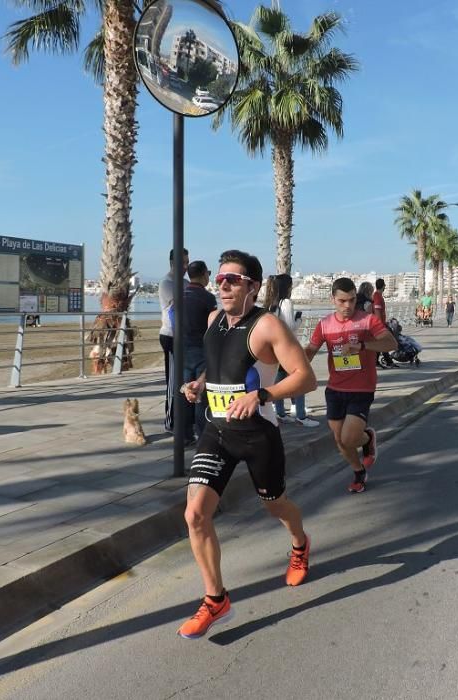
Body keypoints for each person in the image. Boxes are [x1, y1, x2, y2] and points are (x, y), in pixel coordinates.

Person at [178, 249, 316, 640]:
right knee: (194, 515)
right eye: (220, 278)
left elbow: (305, 378)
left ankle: (300, 543)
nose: (222, 285)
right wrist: (200, 384)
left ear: (253, 287)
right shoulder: (211, 321)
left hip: (258, 434)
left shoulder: (267, 326)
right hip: (217, 430)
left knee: (276, 505)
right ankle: (215, 598)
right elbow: (218, 366)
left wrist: (263, 396)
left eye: (232, 280)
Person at [305, 278, 398, 494]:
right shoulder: (325, 324)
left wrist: (363, 346)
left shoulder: (368, 321)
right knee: (340, 440)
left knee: (348, 438)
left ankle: (367, 438)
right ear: (333, 300)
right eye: (342, 301)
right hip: (335, 389)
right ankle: (358, 472)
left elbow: (391, 343)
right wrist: (293, 367)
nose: (348, 306)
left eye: (352, 300)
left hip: (361, 388)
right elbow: (310, 350)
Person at [264, 273, 318, 428]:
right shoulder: (286, 303)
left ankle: (280, 413)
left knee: (278, 382)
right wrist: (299, 320)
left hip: (275, 351)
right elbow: (289, 327)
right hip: (288, 349)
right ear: (287, 287)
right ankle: (301, 416)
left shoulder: (270, 304)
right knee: (300, 381)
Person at [182, 260, 216, 446]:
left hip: (183, 349)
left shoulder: (180, 295)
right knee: (201, 395)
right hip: (201, 350)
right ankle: (202, 435)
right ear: (204, 274)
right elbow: (213, 326)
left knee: (185, 391)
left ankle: (185, 434)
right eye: (209, 272)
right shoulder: (208, 298)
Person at [159, 247, 188, 432]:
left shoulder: (185, 282)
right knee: (173, 381)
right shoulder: (167, 283)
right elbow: (177, 307)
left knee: (183, 380)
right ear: (172, 263)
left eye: (187, 262)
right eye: (182, 263)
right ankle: (170, 421)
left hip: (184, 336)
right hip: (170, 336)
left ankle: (184, 419)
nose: (186, 266)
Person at [372, 278, 397, 368]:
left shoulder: (377, 296)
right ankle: (385, 361)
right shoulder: (377, 296)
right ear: (383, 286)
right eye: (385, 285)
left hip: (380, 323)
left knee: (382, 342)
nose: (385, 287)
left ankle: (384, 361)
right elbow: (377, 311)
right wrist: (381, 325)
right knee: (383, 342)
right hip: (379, 325)